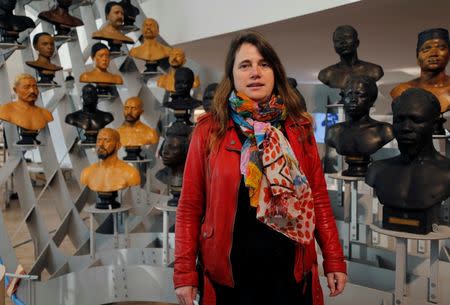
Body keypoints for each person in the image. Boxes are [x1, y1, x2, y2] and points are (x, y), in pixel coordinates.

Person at [174, 31, 346, 305]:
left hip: (289, 273)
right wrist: (184, 273)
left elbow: (319, 200)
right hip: (231, 277)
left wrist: (334, 259)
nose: (255, 72)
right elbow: (190, 208)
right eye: (245, 65)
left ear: (275, 72)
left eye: (263, 64)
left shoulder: (299, 128)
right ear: (232, 76)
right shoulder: (209, 130)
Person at [366, 88, 450, 233]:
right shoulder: (376, 170)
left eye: (416, 120)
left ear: (434, 124)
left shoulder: (447, 172)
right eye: (399, 120)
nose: (406, 128)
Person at [325, 75, 394, 176]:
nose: (353, 99)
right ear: (343, 99)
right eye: (349, 94)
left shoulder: (384, 130)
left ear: (371, 99)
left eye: (359, 94)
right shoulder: (333, 131)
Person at [390, 28, 450, 113]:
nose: (434, 53)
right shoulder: (402, 91)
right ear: (418, 57)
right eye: (426, 49)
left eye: (441, 48)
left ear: (449, 54)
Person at [318, 25, 384, 90]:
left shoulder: (374, 70)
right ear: (334, 47)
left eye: (347, 38)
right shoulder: (326, 74)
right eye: (337, 40)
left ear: (357, 42)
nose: (342, 42)